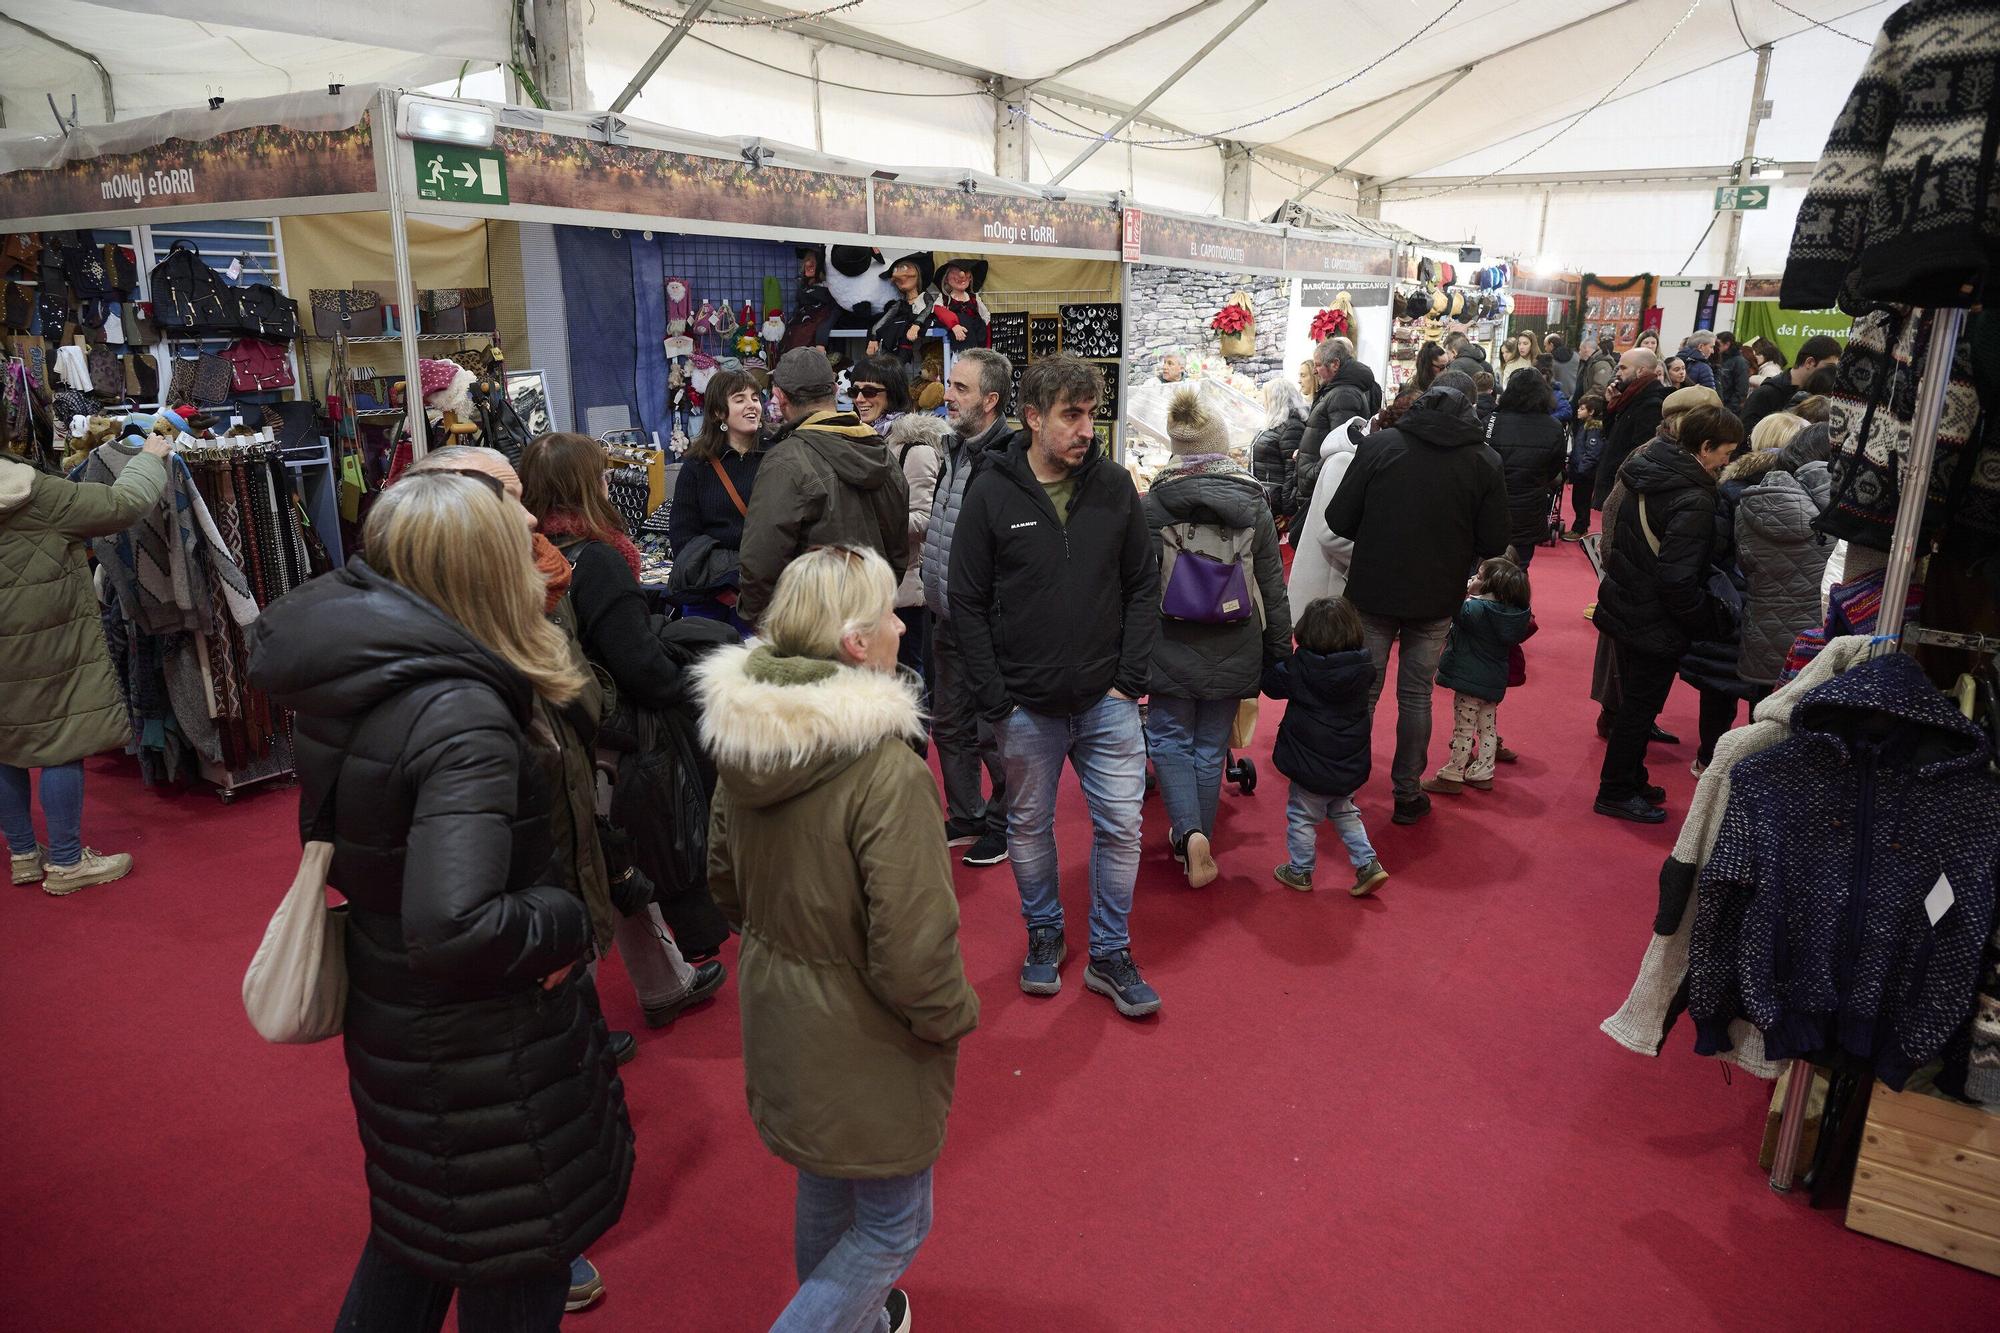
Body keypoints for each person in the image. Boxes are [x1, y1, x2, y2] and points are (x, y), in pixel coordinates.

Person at [249, 473, 632, 1332]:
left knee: (419, 1242)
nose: (537, 543)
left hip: (412, 1033)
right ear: (480, 572)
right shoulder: (460, 712)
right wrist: (567, 919)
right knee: (502, 1264)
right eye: (516, 539)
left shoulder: (369, 668)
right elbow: (455, 923)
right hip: (483, 1056)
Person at [700, 545, 979, 1333]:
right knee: (895, 1222)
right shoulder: (887, 772)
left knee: (824, 1184)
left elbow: (722, 879)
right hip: (868, 1029)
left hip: (779, 1005)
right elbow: (915, 946)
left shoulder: (745, 738)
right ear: (858, 641)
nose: (902, 623)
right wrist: (950, 1016)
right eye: (890, 610)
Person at [949, 355, 1161, 1018]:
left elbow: (1143, 585)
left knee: (1123, 826)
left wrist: (1129, 680)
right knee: (1030, 826)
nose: (1084, 428)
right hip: (1024, 705)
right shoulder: (991, 490)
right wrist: (996, 698)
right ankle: (1044, 932)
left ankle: (1110, 951)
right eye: (1070, 414)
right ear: (1032, 417)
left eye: (1090, 412)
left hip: (1108, 700)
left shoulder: (1117, 487)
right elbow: (967, 599)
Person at [521, 433, 733, 1011]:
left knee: (611, 860)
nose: (612, 481)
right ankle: (591, 1011)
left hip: (567, 727)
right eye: (602, 474)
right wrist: (682, 678)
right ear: (584, 485)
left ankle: (665, 983)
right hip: (614, 732)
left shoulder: (531, 552)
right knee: (618, 856)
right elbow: (638, 665)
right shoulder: (599, 561)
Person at [1325, 370, 1509, 826]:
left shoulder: (1380, 446)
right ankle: (1406, 793)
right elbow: (1494, 540)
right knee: (1416, 696)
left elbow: (1339, 519)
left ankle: (1343, 789)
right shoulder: (1484, 461)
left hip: (1373, 587)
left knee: (1362, 693)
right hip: (1436, 593)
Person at [1, 432, 171, 895]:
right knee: (62, 737)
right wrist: (150, 459)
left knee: (2, 744)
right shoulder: (39, 493)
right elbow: (124, 504)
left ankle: (22, 855)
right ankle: (67, 862)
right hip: (48, 639)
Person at [1143, 390, 1291, 889]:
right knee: (1210, 747)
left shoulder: (1154, 504)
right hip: (1237, 640)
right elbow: (1272, 585)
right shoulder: (1253, 503)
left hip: (1168, 642)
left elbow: (1135, 588)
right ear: (1221, 447)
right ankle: (1196, 837)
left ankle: (1189, 835)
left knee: (1167, 738)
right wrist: (1278, 652)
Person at [1591, 404, 1744, 823]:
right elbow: (1678, 579)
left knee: (1634, 706)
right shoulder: (1693, 495)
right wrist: (1703, 618)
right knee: (1640, 709)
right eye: (1725, 453)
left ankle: (1630, 778)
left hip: (1628, 601)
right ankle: (1617, 789)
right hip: (1656, 616)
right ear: (1705, 446)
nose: (1727, 462)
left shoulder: (1647, 470)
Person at [921, 348, 1014, 868]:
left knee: (992, 733)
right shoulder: (954, 448)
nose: (947, 396)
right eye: (951, 385)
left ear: (991, 399)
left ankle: (1005, 823)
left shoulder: (1009, 459)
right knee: (950, 723)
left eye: (960, 388)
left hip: (986, 623)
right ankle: (967, 813)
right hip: (946, 613)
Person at [738, 347, 910, 625]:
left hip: (811, 630)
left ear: (780, 397)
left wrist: (768, 627)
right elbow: (899, 549)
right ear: (833, 389)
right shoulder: (880, 450)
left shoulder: (786, 461)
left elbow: (760, 563)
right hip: (872, 622)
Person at [1262, 596, 1385, 897]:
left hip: (1309, 762)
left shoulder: (1301, 667)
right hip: (1347, 760)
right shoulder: (1363, 668)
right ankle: (1367, 862)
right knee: (1344, 811)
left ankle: (1300, 870)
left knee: (1302, 816)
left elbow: (1271, 685)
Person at [1421, 557, 1535, 796]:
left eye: (1480, 576)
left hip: (1468, 680)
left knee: (1463, 729)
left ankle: (1453, 773)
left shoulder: (1475, 609)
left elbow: (1452, 608)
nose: (1474, 578)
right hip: (1493, 681)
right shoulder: (1514, 615)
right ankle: (1483, 772)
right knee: (1487, 728)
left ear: (1492, 586)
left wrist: (1464, 589)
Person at [668, 366, 765, 628]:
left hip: (762, 594)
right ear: (718, 412)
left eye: (755, 397)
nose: (752, 405)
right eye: (740, 399)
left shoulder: (776, 456)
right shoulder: (698, 466)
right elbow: (682, 535)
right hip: (709, 595)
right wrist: (721, 587)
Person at [884, 414, 945, 684]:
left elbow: (924, 519)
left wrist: (875, 519)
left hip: (907, 579)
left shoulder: (918, 451)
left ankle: (918, 726)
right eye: (856, 390)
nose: (860, 398)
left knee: (908, 669)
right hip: (888, 576)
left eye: (870, 391)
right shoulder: (886, 444)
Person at [1484, 367, 1567, 568]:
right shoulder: (1554, 427)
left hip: (1492, 506)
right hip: (1529, 507)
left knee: (1485, 566)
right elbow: (1555, 468)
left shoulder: (1491, 422)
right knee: (1519, 567)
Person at [1294, 337, 1376, 514]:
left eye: (1318, 365)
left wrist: (1313, 473)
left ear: (1335, 364)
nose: (1315, 371)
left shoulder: (1343, 394)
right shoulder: (1339, 390)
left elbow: (1341, 445)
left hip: (1320, 486)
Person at [1592, 347, 1669, 514]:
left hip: (1627, 488)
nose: (1618, 372)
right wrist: (1609, 406)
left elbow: (1640, 451)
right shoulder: (1629, 397)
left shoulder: (1651, 404)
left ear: (1640, 371)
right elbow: (1610, 434)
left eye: (1623, 368)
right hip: (1617, 481)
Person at [1740, 334, 1841, 433]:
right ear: (1809, 362)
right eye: (1830, 367)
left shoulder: (1817, 397)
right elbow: (1745, 439)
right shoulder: (1766, 394)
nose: (1832, 373)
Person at [1251, 376, 1308, 523]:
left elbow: (1293, 472)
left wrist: (1287, 511)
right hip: (1267, 499)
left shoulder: (1292, 427)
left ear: (1276, 399)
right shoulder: (1276, 424)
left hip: (1276, 503)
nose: (1263, 402)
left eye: (1266, 397)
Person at [865, 253, 936, 363]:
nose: (898, 276)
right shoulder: (900, 304)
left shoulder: (924, 297)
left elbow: (928, 308)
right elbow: (884, 320)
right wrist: (873, 338)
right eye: (896, 271)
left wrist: (917, 324)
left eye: (903, 268)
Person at [1561, 392, 1607, 539]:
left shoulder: (1594, 429)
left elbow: (1592, 453)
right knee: (1578, 501)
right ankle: (1580, 526)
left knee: (1581, 502)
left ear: (1591, 411)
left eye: (1582, 408)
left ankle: (1580, 528)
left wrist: (1580, 470)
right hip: (1581, 471)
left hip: (1586, 474)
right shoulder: (1585, 426)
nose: (1578, 410)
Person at [849, 355, 911, 439]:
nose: (859, 399)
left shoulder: (913, 444)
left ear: (893, 393)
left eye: (869, 391)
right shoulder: (849, 436)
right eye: (854, 391)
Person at [1713, 330, 1749, 411]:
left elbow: (1742, 388)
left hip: (1728, 407)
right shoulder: (1719, 358)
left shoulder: (1740, 362)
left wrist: (1730, 408)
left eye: (1718, 344)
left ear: (1727, 344)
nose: (1715, 347)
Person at [1545, 331, 1582, 401]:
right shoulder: (1576, 356)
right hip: (1575, 395)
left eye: (1546, 346)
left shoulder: (1550, 360)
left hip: (1557, 396)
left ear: (1551, 345)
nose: (1545, 349)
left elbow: (1550, 379)